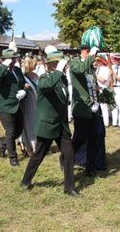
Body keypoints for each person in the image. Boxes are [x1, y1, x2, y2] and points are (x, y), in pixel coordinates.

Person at [21, 50, 78, 196]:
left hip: (61, 125)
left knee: (69, 154)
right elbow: (47, 86)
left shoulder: (62, 79)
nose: (65, 67)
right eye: (61, 64)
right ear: (53, 66)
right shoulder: (44, 78)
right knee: (38, 155)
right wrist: (58, 70)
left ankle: (69, 187)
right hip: (47, 124)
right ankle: (26, 181)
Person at [69, 44, 103, 177]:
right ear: (86, 51)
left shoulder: (90, 66)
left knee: (93, 138)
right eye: (92, 54)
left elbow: (92, 83)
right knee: (79, 138)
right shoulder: (75, 62)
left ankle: (90, 167)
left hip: (93, 107)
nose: (94, 57)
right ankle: (66, 159)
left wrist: (98, 94)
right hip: (82, 107)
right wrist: (90, 57)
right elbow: (80, 70)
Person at [0, 48, 27, 166]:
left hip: (17, 104)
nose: (14, 61)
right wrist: (4, 66)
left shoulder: (16, 70)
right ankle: (13, 157)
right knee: (10, 132)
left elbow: (21, 82)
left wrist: (24, 90)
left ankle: (2, 145)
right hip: (5, 106)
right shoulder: (0, 70)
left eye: (14, 58)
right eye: (12, 59)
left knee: (19, 129)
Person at [20, 56, 38, 155]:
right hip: (27, 101)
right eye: (34, 63)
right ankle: (29, 145)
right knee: (28, 122)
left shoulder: (35, 75)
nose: (36, 64)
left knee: (34, 121)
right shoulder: (23, 77)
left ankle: (35, 144)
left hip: (35, 100)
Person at [95, 56, 111, 127]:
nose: (97, 62)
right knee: (96, 107)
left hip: (103, 89)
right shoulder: (97, 69)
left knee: (104, 107)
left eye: (98, 61)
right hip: (96, 89)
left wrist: (94, 75)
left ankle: (106, 123)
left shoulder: (106, 69)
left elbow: (103, 80)